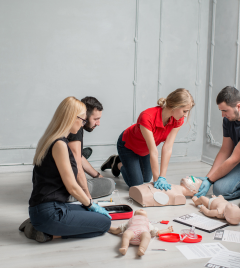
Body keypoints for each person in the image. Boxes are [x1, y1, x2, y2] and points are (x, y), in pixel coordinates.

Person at [19, 97, 111, 243]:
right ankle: (44, 233)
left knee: (97, 215)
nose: (83, 124)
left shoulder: (51, 139)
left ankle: (36, 224)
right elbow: (72, 187)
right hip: (49, 213)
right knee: (104, 224)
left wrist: (88, 205)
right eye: (82, 120)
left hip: (47, 207)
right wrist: (90, 204)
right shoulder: (60, 145)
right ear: (72, 118)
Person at [101, 88, 194, 189]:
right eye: (185, 111)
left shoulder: (178, 120)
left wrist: (162, 177)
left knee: (146, 178)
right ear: (175, 106)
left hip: (144, 150)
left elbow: (167, 147)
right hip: (128, 146)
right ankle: (116, 163)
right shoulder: (147, 116)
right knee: (137, 184)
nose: (185, 115)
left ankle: (122, 162)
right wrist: (156, 180)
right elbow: (153, 150)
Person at [67, 96, 115, 201]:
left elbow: (78, 157)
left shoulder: (69, 122)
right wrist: (87, 198)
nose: (98, 123)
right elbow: (78, 165)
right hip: (62, 191)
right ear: (85, 116)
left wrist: (98, 176)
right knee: (110, 184)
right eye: (96, 119)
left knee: (79, 154)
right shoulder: (76, 129)